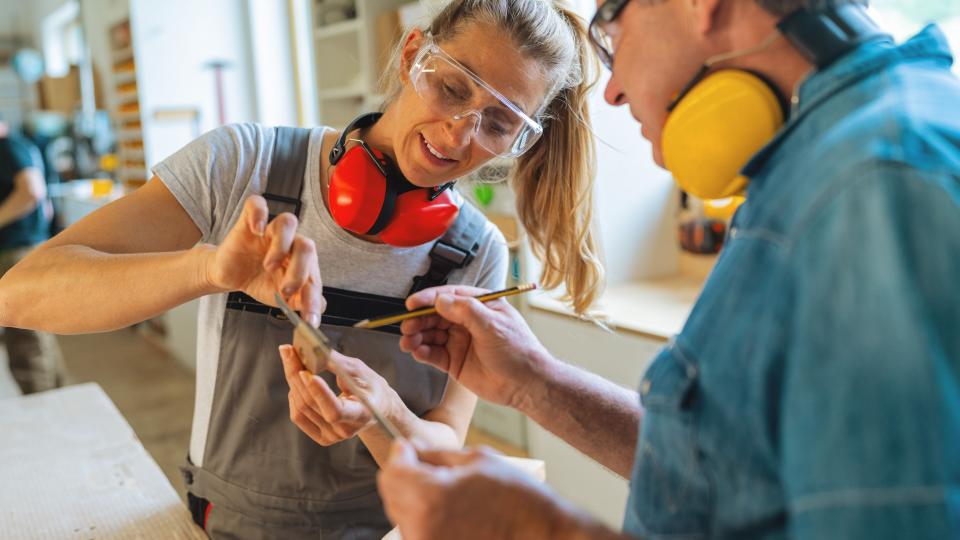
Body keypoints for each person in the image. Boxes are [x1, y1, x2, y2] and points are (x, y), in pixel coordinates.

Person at [0, 0, 601, 537]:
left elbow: (445, 441)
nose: (460, 133)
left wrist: (381, 414)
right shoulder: (245, 165)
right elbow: (21, 294)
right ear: (414, 55)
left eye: (499, 124)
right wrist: (210, 269)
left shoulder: (476, 254)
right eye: (452, 88)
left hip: (390, 526)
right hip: (231, 523)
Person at [376, 0, 960, 539]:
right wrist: (537, 384)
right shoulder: (826, 160)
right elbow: (735, 468)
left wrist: (538, 528)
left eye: (614, 32)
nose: (615, 92)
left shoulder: (875, 184)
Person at [0, 116, 65, 394]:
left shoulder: (7, 147)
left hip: (17, 249)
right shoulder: (19, 146)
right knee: (36, 330)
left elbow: (32, 191)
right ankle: (55, 397)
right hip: (25, 247)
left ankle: (44, 405)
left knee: (25, 335)